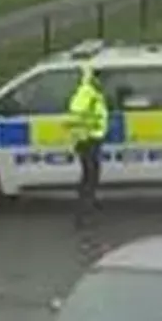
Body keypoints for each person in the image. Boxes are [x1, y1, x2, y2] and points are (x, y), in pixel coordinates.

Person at [67, 65, 108, 226]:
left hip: (92, 140)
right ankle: (83, 215)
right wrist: (84, 135)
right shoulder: (86, 92)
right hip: (87, 141)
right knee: (89, 178)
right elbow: (77, 114)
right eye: (98, 76)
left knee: (92, 175)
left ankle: (89, 206)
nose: (101, 80)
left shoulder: (93, 92)